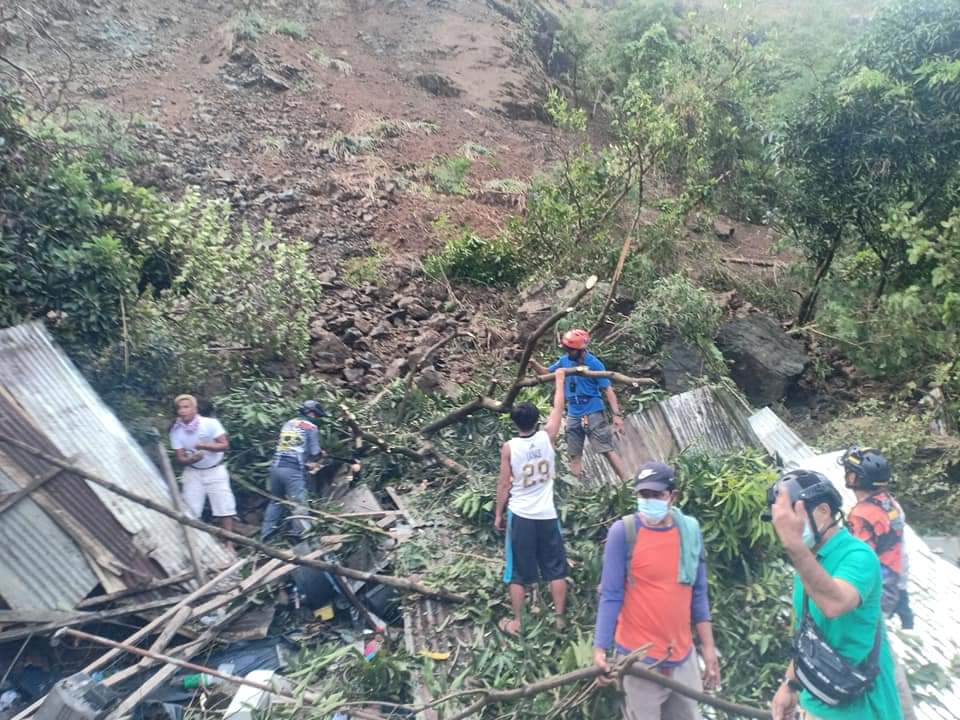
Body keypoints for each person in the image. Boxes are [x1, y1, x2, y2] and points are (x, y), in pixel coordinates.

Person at [766, 469, 902, 720]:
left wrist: (793, 544)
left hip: (860, 710)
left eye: (794, 516)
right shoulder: (810, 561)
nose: (787, 527)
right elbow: (809, 635)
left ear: (823, 511)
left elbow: (834, 603)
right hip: (816, 704)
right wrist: (791, 685)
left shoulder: (857, 556)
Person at [593, 462, 720, 720]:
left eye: (657, 495)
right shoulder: (625, 533)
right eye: (643, 495)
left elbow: (698, 593)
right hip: (638, 661)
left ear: (672, 496)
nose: (649, 501)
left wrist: (708, 647)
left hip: (682, 655)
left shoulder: (689, 533)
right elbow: (611, 594)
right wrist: (600, 649)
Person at [840, 447, 916, 719]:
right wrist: (903, 595)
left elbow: (857, 561)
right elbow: (901, 552)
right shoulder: (892, 505)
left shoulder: (861, 515)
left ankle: (895, 710)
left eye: (849, 471)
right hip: (892, 587)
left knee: (870, 651)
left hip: (873, 591)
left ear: (857, 478)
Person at [494, 368, 569, 635]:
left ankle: (518, 621)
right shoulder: (547, 436)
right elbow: (559, 407)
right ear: (537, 420)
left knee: (517, 572)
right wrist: (559, 380)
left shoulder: (510, 448)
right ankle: (559, 618)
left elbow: (504, 484)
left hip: (521, 515)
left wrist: (498, 514)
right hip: (547, 514)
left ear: (515, 423)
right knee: (556, 568)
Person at [530, 329, 628, 481]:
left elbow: (607, 389)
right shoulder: (564, 361)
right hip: (573, 413)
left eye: (570, 349)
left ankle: (627, 483)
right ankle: (575, 488)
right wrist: (532, 363)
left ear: (579, 350)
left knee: (606, 449)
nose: (568, 352)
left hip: (592, 410)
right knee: (574, 454)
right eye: (567, 349)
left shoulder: (594, 363)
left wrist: (616, 415)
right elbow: (546, 373)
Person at [169, 394, 236, 534]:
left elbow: (224, 445)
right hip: (193, 471)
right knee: (190, 509)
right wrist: (191, 460)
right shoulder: (176, 430)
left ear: (195, 409)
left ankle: (229, 543)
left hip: (215, 469)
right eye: (179, 408)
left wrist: (204, 446)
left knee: (224, 506)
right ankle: (195, 543)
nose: (182, 411)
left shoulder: (210, 423)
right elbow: (180, 458)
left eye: (186, 407)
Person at [261, 400, 326, 540]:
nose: (318, 419)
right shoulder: (311, 427)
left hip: (276, 467)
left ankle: (265, 536)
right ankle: (302, 538)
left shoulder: (288, 423)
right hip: (292, 469)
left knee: (275, 501)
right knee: (300, 505)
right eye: (318, 416)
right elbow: (314, 452)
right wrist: (322, 454)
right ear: (312, 413)